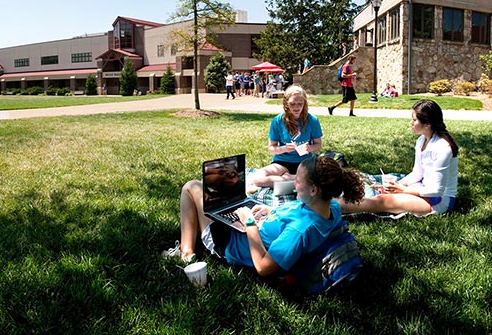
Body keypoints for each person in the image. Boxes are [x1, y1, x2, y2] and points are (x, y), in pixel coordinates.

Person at [162, 156, 365, 274]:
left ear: (314, 190)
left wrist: (248, 222)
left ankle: (186, 254)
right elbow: (294, 213)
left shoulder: (299, 231)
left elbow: (263, 268)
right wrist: (270, 212)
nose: (293, 184)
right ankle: (193, 239)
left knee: (191, 187)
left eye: (298, 181)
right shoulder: (330, 208)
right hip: (254, 225)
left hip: (232, 244)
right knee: (220, 199)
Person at [341, 99, 459, 217]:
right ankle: (339, 203)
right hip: (423, 187)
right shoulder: (422, 140)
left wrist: (402, 190)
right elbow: (417, 173)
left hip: (440, 200)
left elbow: (436, 190)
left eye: (414, 120)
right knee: (384, 192)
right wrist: (396, 185)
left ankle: (333, 206)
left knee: (383, 201)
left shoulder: (443, 147)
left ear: (427, 124)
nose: (411, 123)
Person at [249, 85, 323, 188]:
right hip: (282, 162)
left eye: (300, 104)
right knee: (257, 179)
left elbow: (318, 144)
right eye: (292, 104)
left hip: (304, 162)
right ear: (286, 103)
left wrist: (309, 148)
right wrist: (284, 148)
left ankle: (288, 179)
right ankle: (293, 179)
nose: (296, 108)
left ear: (304, 103)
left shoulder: (312, 120)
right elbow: (271, 148)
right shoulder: (278, 121)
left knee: (321, 177)